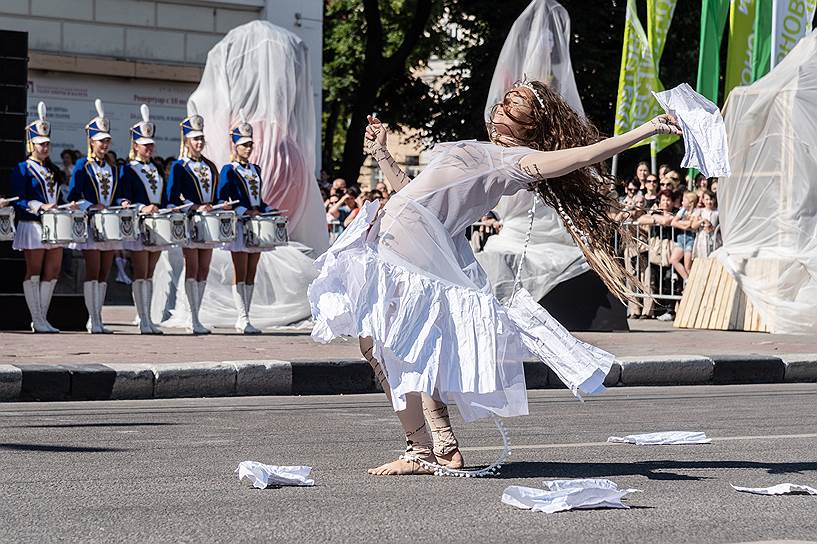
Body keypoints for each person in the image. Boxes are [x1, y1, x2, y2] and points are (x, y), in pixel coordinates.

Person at [309, 79, 681, 476]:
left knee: (392, 346)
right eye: (504, 103)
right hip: (396, 245)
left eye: (514, 108)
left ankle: (423, 450)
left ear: (529, 127)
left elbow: (582, 156)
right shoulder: (476, 151)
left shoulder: (514, 160)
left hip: (410, 257)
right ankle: (438, 447)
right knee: (398, 346)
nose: (501, 109)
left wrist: (647, 129)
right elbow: (415, 192)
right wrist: (382, 152)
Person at [10, 101, 74, 333]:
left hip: (54, 225)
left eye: (47, 144)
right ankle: (36, 318)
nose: (45, 148)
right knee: (34, 270)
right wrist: (40, 206)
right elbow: (18, 199)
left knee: (53, 271)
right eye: (40, 144)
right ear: (31, 144)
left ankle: (43, 318)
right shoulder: (22, 168)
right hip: (32, 224)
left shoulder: (53, 170)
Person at [68, 99, 130, 334]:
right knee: (93, 271)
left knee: (105, 272)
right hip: (92, 224)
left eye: (107, 140)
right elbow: (74, 195)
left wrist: (121, 201)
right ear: (91, 141)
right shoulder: (82, 165)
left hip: (110, 225)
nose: (105, 144)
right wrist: (91, 205)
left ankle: (99, 316)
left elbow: (116, 195)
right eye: (101, 140)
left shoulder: (114, 168)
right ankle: (91, 318)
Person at [217, 112, 275, 335]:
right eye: (244, 145)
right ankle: (241, 317)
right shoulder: (228, 170)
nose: (248, 148)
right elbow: (224, 198)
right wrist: (243, 211)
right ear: (235, 146)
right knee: (240, 270)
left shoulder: (256, 169)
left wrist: (268, 210)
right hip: (240, 225)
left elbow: (259, 199)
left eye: (250, 144)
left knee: (252, 271)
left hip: (256, 224)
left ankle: (247, 315)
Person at [167, 105, 220, 335]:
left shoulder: (210, 166)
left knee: (204, 269)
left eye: (201, 138)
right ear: (186, 141)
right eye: (194, 139)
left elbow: (215, 194)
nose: (199, 142)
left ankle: (197, 315)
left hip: (208, 222)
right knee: (193, 267)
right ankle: (192, 317)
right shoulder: (179, 166)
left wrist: (219, 204)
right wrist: (195, 206)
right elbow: (173, 196)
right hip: (190, 221)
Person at [119, 104, 165, 334]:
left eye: (151, 144)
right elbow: (123, 198)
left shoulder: (156, 168)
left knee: (150, 273)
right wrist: (140, 207)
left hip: (156, 226)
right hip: (139, 225)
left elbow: (162, 197)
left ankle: (147, 317)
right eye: (145, 145)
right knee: (141, 271)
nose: (149, 148)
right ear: (135, 145)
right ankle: (143, 319)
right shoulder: (127, 169)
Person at [669, 191, 700, 283]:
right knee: (673, 260)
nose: (682, 202)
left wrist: (682, 223)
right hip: (681, 238)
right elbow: (673, 222)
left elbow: (692, 224)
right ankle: (687, 280)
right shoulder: (682, 210)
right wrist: (685, 226)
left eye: (684, 200)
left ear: (691, 202)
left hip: (691, 239)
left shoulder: (696, 212)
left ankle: (693, 284)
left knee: (688, 266)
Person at [692, 190, 720, 257]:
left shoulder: (717, 212)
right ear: (703, 200)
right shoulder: (700, 211)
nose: (709, 202)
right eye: (706, 199)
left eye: (711, 199)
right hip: (702, 238)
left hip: (714, 238)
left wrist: (712, 228)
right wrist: (703, 220)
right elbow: (693, 225)